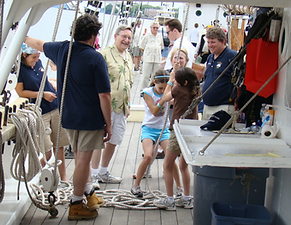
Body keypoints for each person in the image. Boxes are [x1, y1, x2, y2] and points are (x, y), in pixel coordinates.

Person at [24, 14, 112, 220]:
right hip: (89, 119)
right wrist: (108, 123)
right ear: (93, 35)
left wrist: (21, 34)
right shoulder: (96, 58)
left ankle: (88, 193)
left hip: (68, 117)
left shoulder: (63, 49)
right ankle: (76, 203)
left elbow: (38, 43)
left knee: (82, 158)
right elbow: (104, 96)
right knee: (83, 160)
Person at [15, 43, 70, 183]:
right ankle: (33, 175)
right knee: (47, 150)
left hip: (54, 107)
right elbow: (20, 92)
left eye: (38, 56)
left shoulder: (39, 63)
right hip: (40, 112)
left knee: (60, 145)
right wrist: (42, 94)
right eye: (33, 57)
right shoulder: (20, 71)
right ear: (24, 56)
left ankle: (63, 178)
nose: (36, 59)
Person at [91, 25, 133, 186]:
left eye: (129, 38)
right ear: (115, 36)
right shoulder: (103, 55)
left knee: (114, 140)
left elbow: (128, 82)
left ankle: (103, 171)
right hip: (104, 106)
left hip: (121, 107)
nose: (126, 40)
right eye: (123, 36)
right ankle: (93, 174)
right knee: (99, 140)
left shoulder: (128, 56)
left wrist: (127, 104)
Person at [153, 66, 200, 211]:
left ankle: (169, 199)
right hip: (191, 130)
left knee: (167, 165)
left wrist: (171, 81)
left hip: (178, 131)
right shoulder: (196, 91)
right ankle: (186, 198)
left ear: (184, 83)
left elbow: (165, 97)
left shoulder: (178, 90)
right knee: (184, 166)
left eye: (178, 82)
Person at [131, 70, 183, 198]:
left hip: (163, 129)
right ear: (154, 82)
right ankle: (136, 185)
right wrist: (163, 99)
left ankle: (180, 187)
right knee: (148, 156)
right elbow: (154, 111)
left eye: (165, 88)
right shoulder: (147, 93)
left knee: (171, 157)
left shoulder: (168, 90)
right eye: (160, 88)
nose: (162, 90)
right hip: (149, 128)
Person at [202, 27, 237, 120]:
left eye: (213, 42)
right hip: (207, 107)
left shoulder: (232, 56)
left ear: (222, 42)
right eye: (208, 42)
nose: (210, 45)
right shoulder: (210, 57)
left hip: (223, 108)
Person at [139, 21, 164, 91]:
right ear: (151, 28)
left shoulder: (160, 36)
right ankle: (143, 90)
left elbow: (161, 47)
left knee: (155, 76)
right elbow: (141, 47)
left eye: (157, 28)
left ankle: (151, 89)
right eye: (154, 28)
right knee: (145, 76)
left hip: (157, 59)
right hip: (148, 59)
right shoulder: (147, 35)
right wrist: (146, 53)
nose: (155, 29)